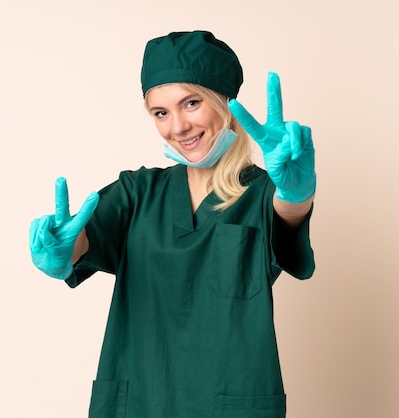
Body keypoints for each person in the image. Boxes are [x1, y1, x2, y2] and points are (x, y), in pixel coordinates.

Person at [29, 30, 316, 418]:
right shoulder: (136, 193)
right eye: (161, 113)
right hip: (139, 401)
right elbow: (86, 239)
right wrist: (65, 249)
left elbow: (287, 218)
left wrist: (297, 196)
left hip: (230, 404)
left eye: (192, 103)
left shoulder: (263, 194)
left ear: (225, 104)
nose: (178, 127)